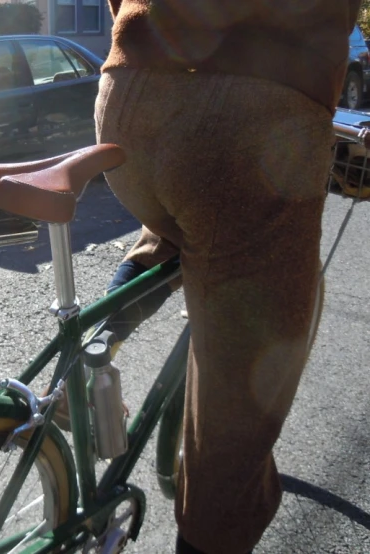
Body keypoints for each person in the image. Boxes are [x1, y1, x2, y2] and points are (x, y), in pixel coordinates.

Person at [94, 3, 362, 553]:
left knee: (178, 218)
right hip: (254, 111)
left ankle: (92, 354)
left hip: (126, 101)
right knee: (233, 444)